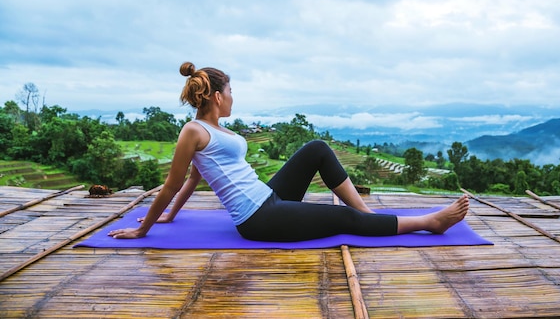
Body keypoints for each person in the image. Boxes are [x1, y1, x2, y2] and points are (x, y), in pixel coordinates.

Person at [108, 62, 469, 242]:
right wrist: (147, 229)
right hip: (258, 219)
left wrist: (171, 218)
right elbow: (175, 184)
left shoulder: (216, 130)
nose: (233, 96)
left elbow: (195, 179)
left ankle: (368, 214)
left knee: (317, 149)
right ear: (218, 96)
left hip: (268, 196)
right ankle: (429, 223)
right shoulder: (192, 131)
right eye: (231, 91)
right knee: (341, 222)